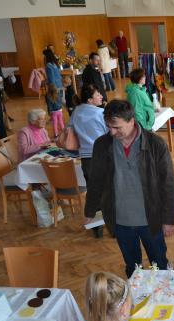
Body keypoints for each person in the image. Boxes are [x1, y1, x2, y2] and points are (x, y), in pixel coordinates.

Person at [84, 100, 174, 278]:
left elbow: (169, 185)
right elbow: (96, 181)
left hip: (152, 219)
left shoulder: (155, 144)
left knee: (160, 265)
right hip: (120, 220)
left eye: (116, 127)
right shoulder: (102, 145)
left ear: (131, 121)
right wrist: (89, 210)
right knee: (133, 269)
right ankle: (135, 303)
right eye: (109, 126)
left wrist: (169, 219)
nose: (112, 132)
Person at [70, 84, 108, 238]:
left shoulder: (76, 112)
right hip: (103, 156)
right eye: (98, 94)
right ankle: (113, 228)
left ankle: (97, 229)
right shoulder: (101, 112)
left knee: (93, 193)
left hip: (86, 158)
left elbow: (70, 130)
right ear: (90, 99)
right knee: (108, 192)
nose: (101, 96)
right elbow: (110, 132)